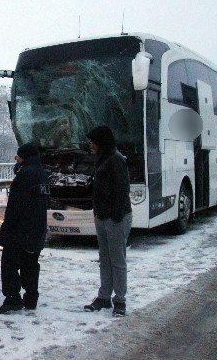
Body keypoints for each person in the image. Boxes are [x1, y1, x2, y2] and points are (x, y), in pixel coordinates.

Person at [0, 142, 49, 314]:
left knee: (9, 263)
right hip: (37, 227)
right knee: (31, 263)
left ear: (23, 157)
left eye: (18, 156)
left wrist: (7, 227)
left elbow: (15, 206)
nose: (15, 159)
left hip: (20, 228)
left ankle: (12, 299)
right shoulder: (42, 173)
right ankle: (31, 297)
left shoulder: (24, 175)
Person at [83, 125, 132, 317]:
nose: (91, 145)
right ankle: (104, 296)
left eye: (93, 141)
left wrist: (115, 216)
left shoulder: (116, 160)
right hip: (103, 216)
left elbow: (122, 190)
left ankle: (119, 300)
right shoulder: (105, 158)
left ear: (101, 142)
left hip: (114, 218)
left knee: (117, 259)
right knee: (105, 257)